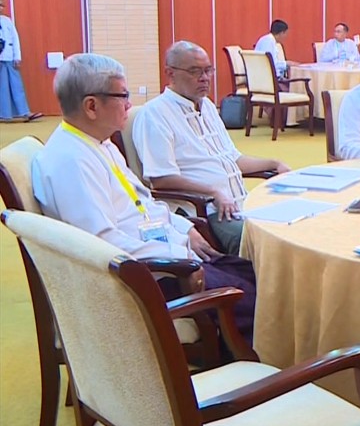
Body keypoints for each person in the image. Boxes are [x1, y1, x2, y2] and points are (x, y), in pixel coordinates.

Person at [31, 53, 256, 344]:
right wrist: (179, 256)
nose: (129, 104)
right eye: (123, 95)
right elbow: (101, 245)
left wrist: (184, 229)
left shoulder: (98, 143)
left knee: (256, 274)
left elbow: (143, 202)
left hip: (163, 256)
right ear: (91, 106)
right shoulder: (70, 161)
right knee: (258, 302)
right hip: (147, 278)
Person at [131, 41, 291, 255]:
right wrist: (213, 192)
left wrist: (274, 163)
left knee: (295, 228)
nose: (204, 78)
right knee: (267, 245)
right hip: (209, 210)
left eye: (208, 70)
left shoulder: (207, 105)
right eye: (194, 71)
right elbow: (161, 179)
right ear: (170, 73)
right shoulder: (155, 114)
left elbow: (233, 159)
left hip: (241, 202)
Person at [0, 0, 42, 122]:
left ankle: (25, 112)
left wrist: (17, 57)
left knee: (16, 86)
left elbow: (15, 39)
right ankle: (4, 114)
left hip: (8, 58)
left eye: (2, 5)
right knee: (2, 89)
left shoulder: (7, 21)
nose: (1, 8)